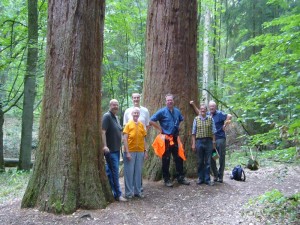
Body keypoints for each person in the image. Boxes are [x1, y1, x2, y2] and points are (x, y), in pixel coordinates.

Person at [150, 94, 190, 187]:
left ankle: (180, 177)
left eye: (171, 100)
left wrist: (178, 126)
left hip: (175, 137)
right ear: (165, 101)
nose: (169, 102)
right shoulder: (162, 111)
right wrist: (160, 129)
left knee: (179, 158)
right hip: (166, 139)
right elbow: (151, 120)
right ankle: (166, 179)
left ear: (173, 101)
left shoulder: (177, 111)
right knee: (166, 159)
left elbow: (181, 119)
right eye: (168, 100)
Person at [190, 100, 232, 183]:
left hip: (220, 139)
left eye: (213, 106)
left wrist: (225, 124)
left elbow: (229, 116)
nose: (212, 108)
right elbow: (199, 112)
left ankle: (221, 176)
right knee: (213, 157)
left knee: (221, 158)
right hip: (212, 141)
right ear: (209, 107)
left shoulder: (220, 114)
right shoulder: (208, 114)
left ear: (215, 107)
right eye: (210, 106)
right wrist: (193, 105)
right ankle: (216, 175)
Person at [123, 93, 150, 192]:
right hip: (130, 149)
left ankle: (138, 191)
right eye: (134, 97)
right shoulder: (128, 120)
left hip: (140, 149)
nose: (136, 114)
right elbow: (125, 137)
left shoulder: (143, 120)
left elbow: (144, 136)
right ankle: (129, 192)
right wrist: (127, 152)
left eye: (138, 97)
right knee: (129, 172)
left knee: (138, 171)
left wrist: (145, 150)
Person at [102, 99, 127, 202]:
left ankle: (112, 191)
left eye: (117, 105)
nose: (115, 106)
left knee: (110, 172)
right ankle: (118, 194)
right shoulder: (107, 116)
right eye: (113, 105)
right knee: (115, 173)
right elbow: (103, 132)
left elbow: (120, 130)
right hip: (110, 150)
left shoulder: (116, 117)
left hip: (116, 150)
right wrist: (105, 146)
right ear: (110, 105)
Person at [191, 104, 217, 186]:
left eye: (204, 109)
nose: (203, 110)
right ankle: (200, 178)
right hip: (199, 142)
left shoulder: (210, 119)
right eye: (201, 109)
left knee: (208, 161)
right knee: (200, 161)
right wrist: (193, 144)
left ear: (206, 110)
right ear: (200, 110)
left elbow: (214, 132)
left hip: (208, 142)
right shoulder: (196, 119)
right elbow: (193, 133)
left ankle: (207, 179)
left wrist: (213, 142)